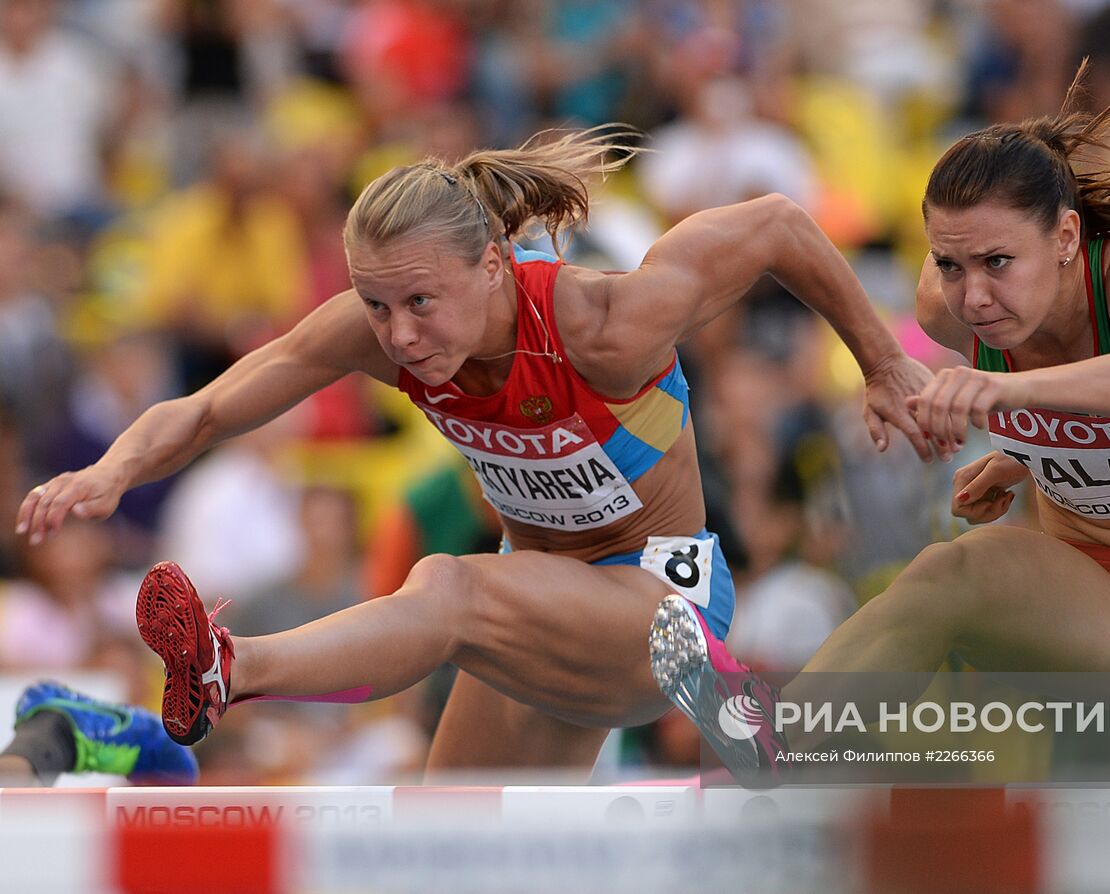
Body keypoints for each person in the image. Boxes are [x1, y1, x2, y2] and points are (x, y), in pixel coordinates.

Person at [14, 128, 932, 773]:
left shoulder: (604, 323)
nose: (400, 335)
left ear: (493, 263)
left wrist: (884, 363)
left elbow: (776, 221)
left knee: (445, 587)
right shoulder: (379, 334)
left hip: (665, 604)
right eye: (376, 305)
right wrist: (113, 469)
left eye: (421, 302)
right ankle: (161, 747)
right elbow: (211, 408)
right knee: (449, 839)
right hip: (539, 602)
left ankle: (232, 668)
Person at [650, 64, 1110, 778]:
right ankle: (775, 740)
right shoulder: (949, 311)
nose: (972, 296)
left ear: (1068, 239)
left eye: (997, 263)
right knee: (953, 569)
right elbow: (785, 231)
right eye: (949, 264)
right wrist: (897, 375)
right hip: (1098, 597)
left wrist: (1013, 405)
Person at [0, 680, 197, 786]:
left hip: (58, 716)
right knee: (20, 783)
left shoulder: (171, 760)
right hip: (63, 722)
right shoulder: (176, 763)